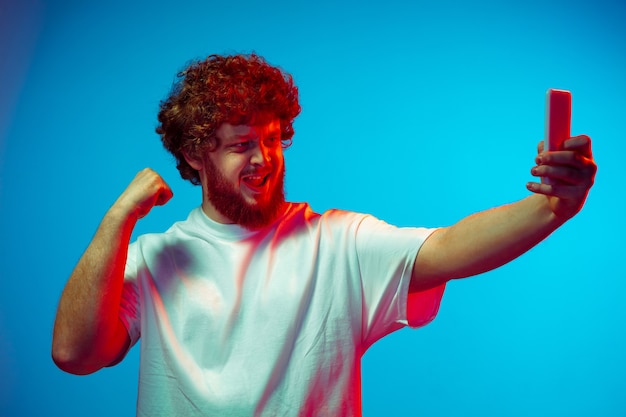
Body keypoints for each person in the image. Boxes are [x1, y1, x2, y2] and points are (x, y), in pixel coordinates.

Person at [51, 54, 597, 416]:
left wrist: (550, 209)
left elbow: (451, 247)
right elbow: (75, 353)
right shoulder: (153, 257)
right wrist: (117, 220)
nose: (263, 158)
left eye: (272, 139)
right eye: (241, 144)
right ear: (195, 154)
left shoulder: (340, 243)